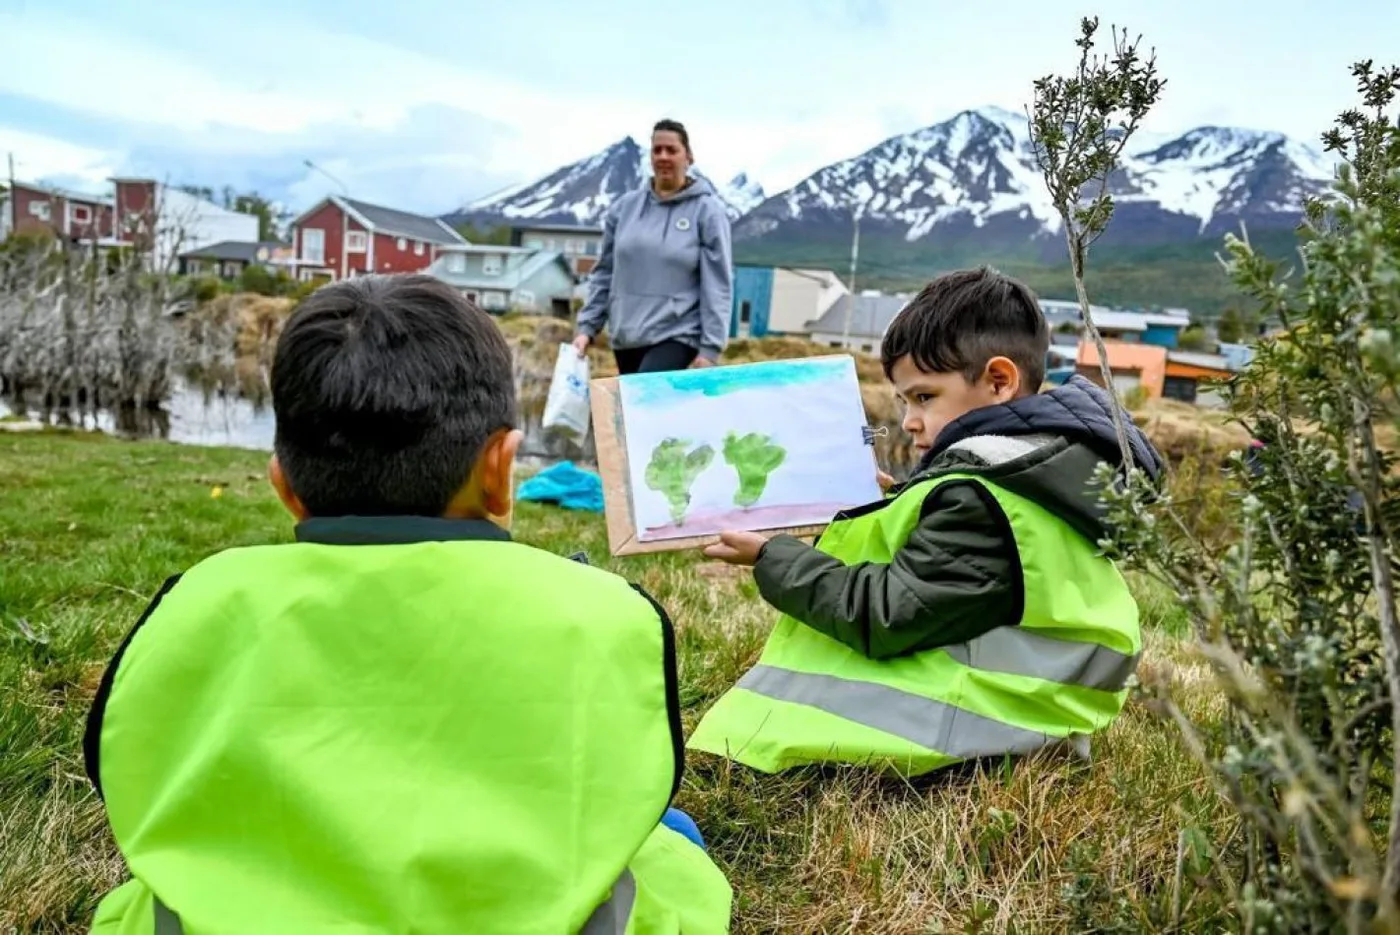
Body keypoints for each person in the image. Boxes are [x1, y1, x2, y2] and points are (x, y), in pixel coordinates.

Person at [84, 275, 733, 934]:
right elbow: (638, 785)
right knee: (672, 831)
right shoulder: (608, 615)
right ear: (503, 469)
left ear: (283, 485)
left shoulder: (194, 603)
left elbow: (120, 771)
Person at [687, 267, 1165, 778]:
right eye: (903, 401)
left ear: (999, 382)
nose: (910, 420)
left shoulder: (978, 500)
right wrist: (894, 502)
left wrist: (771, 555)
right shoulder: (1035, 472)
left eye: (924, 397)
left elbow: (883, 615)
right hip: (1027, 714)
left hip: (981, 740)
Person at [572, 118, 734, 375]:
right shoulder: (624, 209)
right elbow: (604, 273)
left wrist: (710, 348)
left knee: (639, 405)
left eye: (672, 150)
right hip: (627, 335)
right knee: (633, 413)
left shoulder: (707, 212)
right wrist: (587, 329)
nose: (663, 156)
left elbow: (718, 284)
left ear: (688, 157)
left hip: (677, 335)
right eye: (657, 150)